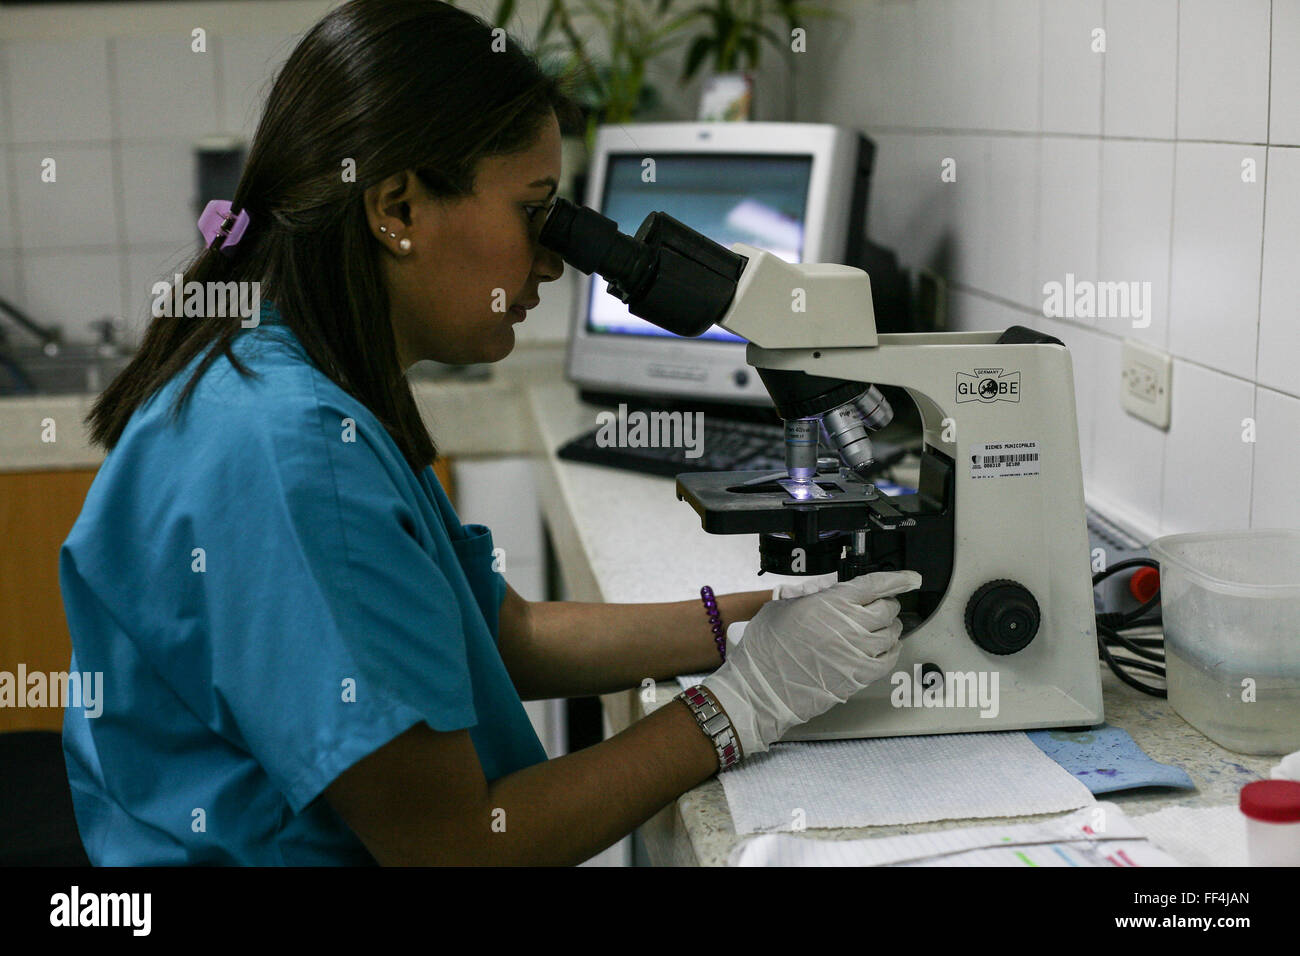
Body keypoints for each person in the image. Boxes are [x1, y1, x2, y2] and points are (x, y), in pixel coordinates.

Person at [60, 0, 920, 866]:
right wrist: (743, 706)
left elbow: (503, 634)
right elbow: (458, 849)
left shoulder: (283, 379)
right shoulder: (297, 456)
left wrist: (760, 624)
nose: (552, 260)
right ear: (397, 207)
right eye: (533, 213)